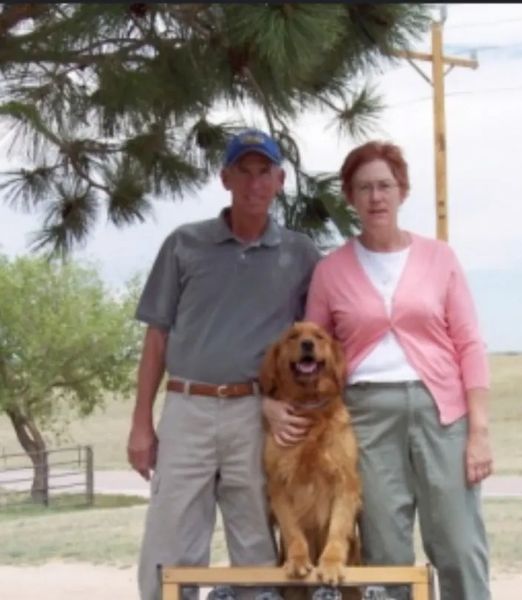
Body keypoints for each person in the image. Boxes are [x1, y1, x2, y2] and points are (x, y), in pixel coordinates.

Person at [264, 140, 493, 600]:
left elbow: (469, 342)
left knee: (458, 542)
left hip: (440, 412)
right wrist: (270, 401)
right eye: (364, 187)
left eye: (385, 186)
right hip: (366, 415)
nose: (376, 197)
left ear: (402, 191)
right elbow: (311, 352)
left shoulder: (439, 259)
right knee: (385, 549)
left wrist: (479, 430)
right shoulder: (331, 271)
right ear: (350, 197)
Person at [127, 128, 321, 600]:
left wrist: (281, 404)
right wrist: (140, 425)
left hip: (255, 413)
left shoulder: (300, 254)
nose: (255, 184)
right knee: (169, 544)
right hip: (186, 407)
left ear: (280, 181)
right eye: (244, 172)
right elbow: (157, 337)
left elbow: (309, 348)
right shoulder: (184, 244)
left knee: (254, 540)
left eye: (265, 174)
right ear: (225, 178)